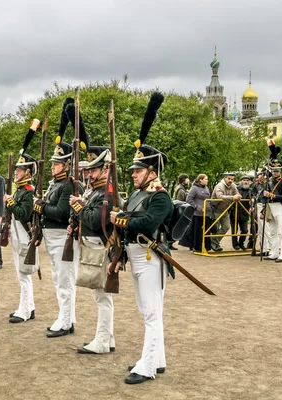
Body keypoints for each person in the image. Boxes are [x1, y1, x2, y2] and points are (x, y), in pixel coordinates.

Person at [110, 92, 173, 385]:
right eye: (133, 171)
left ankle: (147, 366)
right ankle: (156, 359)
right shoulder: (137, 194)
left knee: (151, 313)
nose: (133, 175)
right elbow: (127, 217)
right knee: (146, 310)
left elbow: (147, 223)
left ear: (152, 171)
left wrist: (122, 220)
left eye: (138, 170)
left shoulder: (161, 197)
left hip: (150, 255)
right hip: (134, 255)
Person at [69, 145, 116, 354]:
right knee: (102, 296)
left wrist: (79, 207)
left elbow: (96, 220)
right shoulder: (96, 190)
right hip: (93, 246)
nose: (89, 173)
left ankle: (102, 341)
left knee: (102, 297)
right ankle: (108, 338)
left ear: (105, 169)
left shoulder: (106, 191)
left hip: (100, 247)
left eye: (94, 169)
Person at [34, 142, 77, 338]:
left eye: (57, 163)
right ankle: (66, 317)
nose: (52, 166)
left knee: (64, 281)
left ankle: (66, 321)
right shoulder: (56, 184)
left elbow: (61, 213)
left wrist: (41, 207)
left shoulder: (67, 185)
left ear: (66, 165)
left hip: (61, 237)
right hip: (53, 238)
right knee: (58, 279)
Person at [3, 152, 38, 323]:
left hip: (25, 236)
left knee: (23, 275)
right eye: (17, 169)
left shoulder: (28, 192)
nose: (17, 172)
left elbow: (24, 215)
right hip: (18, 236)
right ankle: (28, 306)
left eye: (20, 169)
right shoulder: (20, 191)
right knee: (22, 275)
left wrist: (10, 203)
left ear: (28, 173)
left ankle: (24, 311)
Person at [263, 141, 282, 263]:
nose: (275, 172)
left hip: (279, 206)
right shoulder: (268, 182)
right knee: (272, 231)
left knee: (281, 232)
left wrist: (272, 195)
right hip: (270, 207)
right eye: (274, 170)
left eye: (277, 170)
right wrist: (265, 196)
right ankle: (274, 253)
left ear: (280, 171)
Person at [180, 174, 212, 252]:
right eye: (206, 179)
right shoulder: (194, 188)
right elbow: (189, 199)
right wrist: (196, 206)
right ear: (200, 180)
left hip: (206, 213)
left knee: (206, 230)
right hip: (198, 214)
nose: (207, 180)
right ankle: (197, 246)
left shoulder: (207, 188)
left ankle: (206, 246)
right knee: (198, 231)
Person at [210, 173, 241, 251]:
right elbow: (220, 196)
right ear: (225, 178)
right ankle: (213, 244)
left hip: (225, 209)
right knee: (215, 228)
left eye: (232, 179)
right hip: (215, 208)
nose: (230, 181)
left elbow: (237, 193)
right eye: (229, 179)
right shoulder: (219, 186)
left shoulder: (233, 185)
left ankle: (213, 242)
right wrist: (233, 197)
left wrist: (238, 196)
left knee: (226, 226)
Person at [230, 175, 252, 251]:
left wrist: (253, 199)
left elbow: (254, 197)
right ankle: (235, 245)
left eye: (247, 180)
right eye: (244, 180)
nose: (245, 182)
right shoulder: (236, 189)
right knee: (234, 230)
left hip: (244, 213)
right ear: (241, 181)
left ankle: (241, 243)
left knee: (245, 230)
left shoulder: (250, 190)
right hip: (234, 212)